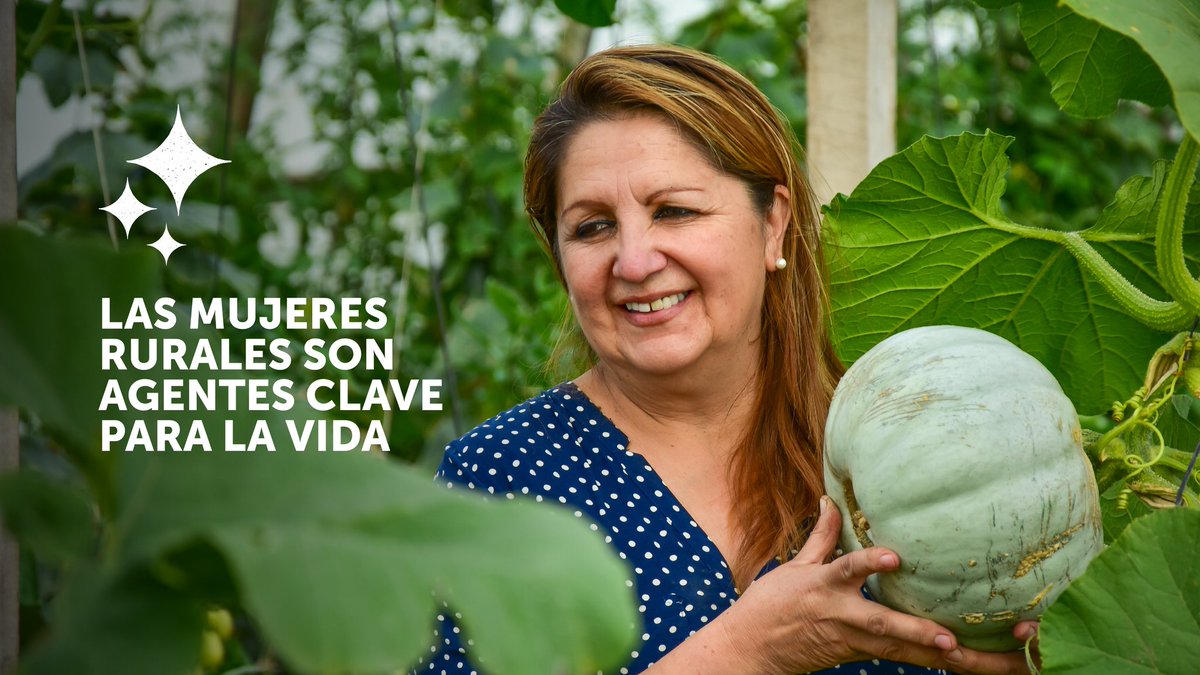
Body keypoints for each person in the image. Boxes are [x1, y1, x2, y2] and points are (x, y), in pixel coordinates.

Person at [413, 44, 1036, 675]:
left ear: (773, 225)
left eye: (674, 211)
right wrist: (746, 652)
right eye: (593, 227)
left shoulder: (906, 440)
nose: (633, 262)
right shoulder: (503, 479)